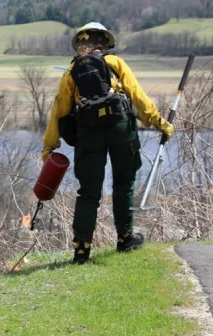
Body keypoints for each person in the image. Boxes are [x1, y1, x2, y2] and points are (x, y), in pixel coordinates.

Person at [41, 22, 174, 264]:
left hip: (88, 132)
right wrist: (160, 122)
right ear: (103, 43)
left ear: (80, 45)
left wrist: (50, 146)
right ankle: (125, 238)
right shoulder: (115, 63)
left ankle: (82, 250)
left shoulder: (70, 71)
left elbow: (59, 110)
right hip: (120, 127)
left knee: (88, 191)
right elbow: (138, 97)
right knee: (124, 183)